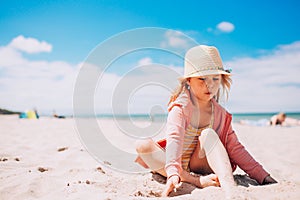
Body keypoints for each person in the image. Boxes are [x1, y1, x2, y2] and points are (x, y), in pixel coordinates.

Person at [135, 45, 277, 197]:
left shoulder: (221, 115)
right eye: (202, 79)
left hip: (201, 163)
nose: (209, 85)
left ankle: (229, 186)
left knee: (208, 133)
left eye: (215, 79)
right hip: (175, 166)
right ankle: (194, 180)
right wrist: (172, 173)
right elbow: (174, 139)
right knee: (142, 145)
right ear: (189, 81)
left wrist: (262, 176)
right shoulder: (180, 108)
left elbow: (236, 149)